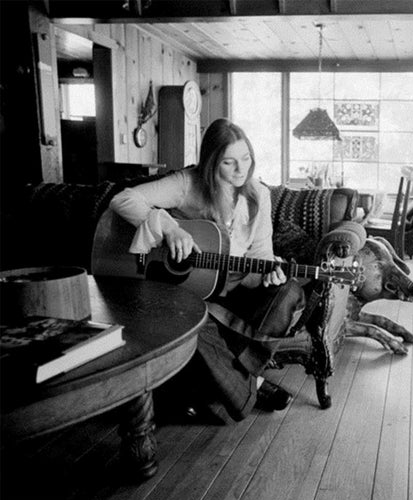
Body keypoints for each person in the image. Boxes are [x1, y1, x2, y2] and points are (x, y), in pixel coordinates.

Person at [109, 118, 305, 416]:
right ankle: (246, 389)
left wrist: (268, 274)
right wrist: (170, 229)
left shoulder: (259, 195)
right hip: (189, 293)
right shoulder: (187, 184)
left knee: (289, 291)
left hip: (234, 290)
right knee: (191, 332)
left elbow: (262, 254)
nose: (241, 170)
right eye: (229, 162)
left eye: (246, 159)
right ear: (212, 162)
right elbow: (123, 199)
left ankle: (233, 380)